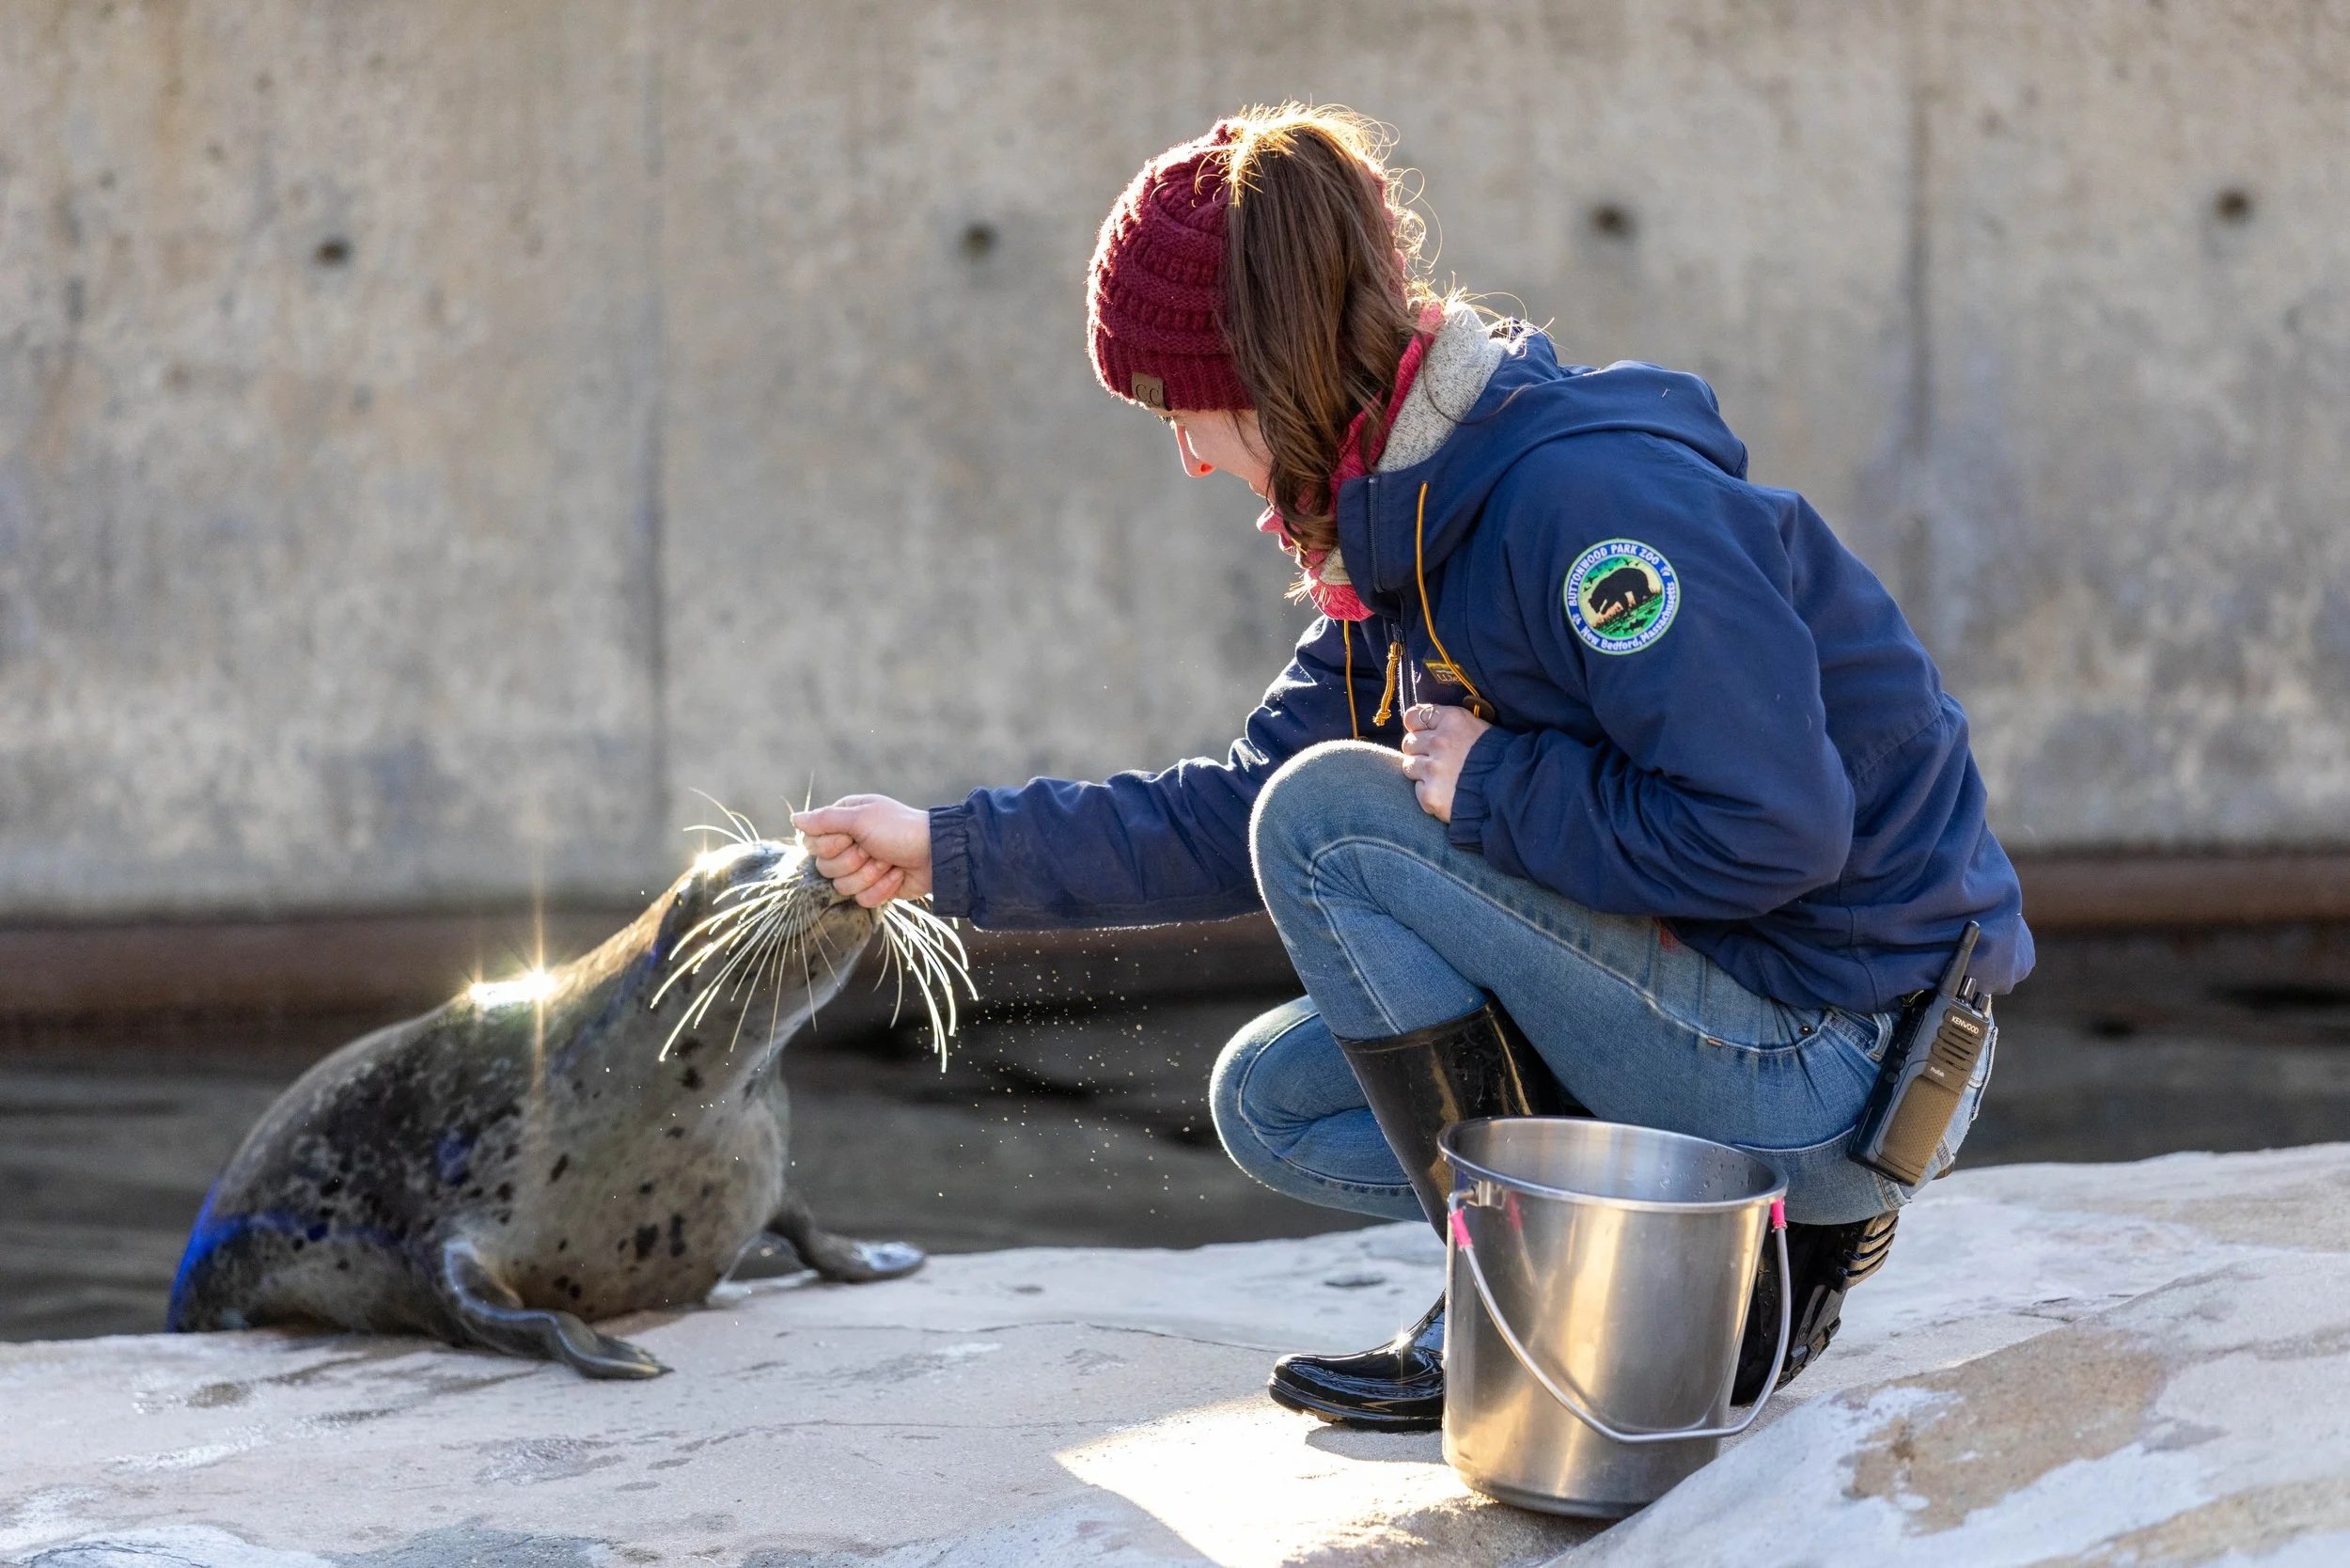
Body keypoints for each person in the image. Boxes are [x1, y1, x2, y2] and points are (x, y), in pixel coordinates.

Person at [792, 104, 2032, 1432]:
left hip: (1840, 1066)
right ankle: (1700, 1264)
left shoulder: (1589, 516)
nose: (1187, 452)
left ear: (1269, 366)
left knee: (1336, 820)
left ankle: (1569, 1301)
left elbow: (1776, 833)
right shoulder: (1404, 524)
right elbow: (1231, 814)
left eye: (1179, 405)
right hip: (1728, 1008)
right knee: (1272, 1101)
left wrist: (1491, 787)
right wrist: (951, 848)